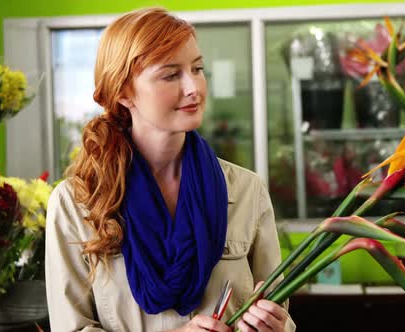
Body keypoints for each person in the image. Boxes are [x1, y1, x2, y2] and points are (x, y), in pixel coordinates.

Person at [45, 7, 296, 332]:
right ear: (123, 93)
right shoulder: (77, 203)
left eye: (198, 68)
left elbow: (280, 312)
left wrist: (276, 326)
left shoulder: (246, 190)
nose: (194, 87)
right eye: (171, 74)